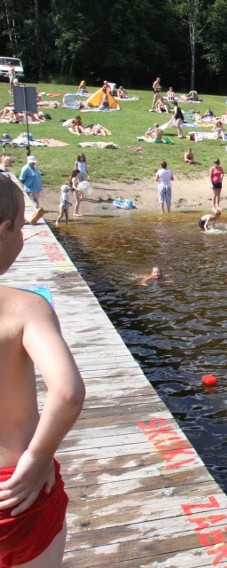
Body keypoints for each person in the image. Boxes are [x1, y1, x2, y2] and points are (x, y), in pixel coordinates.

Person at [0, 176, 85, 568]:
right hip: (17, 490)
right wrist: (38, 457)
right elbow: (67, 392)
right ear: (6, 229)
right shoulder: (25, 308)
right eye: (24, 224)